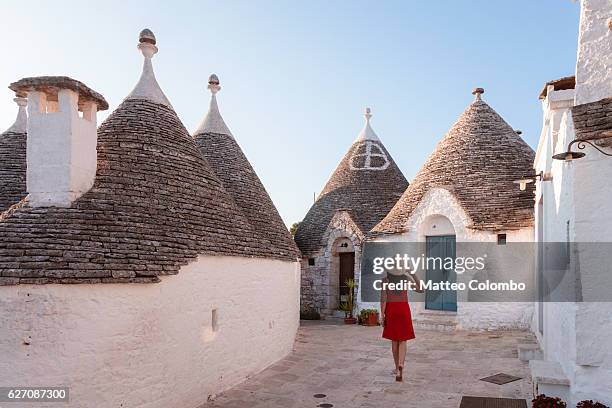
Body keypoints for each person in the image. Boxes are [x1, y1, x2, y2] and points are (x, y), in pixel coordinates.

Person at [380, 268, 424, 382]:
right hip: (404, 310)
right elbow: (421, 289)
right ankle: (401, 365)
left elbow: (383, 299)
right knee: (403, 340)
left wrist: (382, 315)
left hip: (392, 311)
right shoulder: (406, 279)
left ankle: (396, 368)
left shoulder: (385, 281)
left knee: (394, 341)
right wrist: (413, 273)